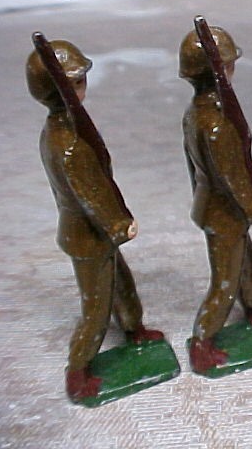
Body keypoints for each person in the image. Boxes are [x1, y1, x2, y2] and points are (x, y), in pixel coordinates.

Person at [26, 40, 163, 401]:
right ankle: (78, 370)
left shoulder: (65, 129)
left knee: (123, 284)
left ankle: (134, 329)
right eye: (76, 82)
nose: (84, 86)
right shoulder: (69, 143)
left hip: (96, 233)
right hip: (89, 234)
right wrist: (119, 223)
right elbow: (91, 192)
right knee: (96, 310)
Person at [179, 26, 252, 374]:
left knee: (246, 262)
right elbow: (230, 174)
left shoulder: (195, 113)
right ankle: (203, 341)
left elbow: (193, 167)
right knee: (224, 282)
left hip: (216, 208)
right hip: (225, 211)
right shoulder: (216, 124)